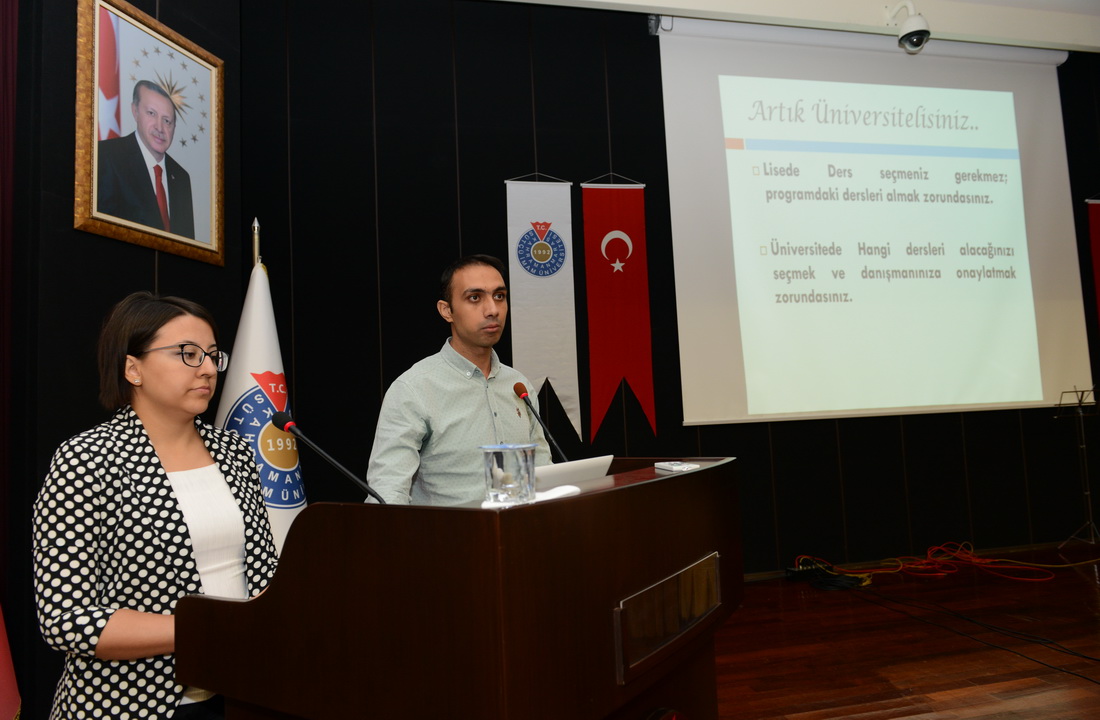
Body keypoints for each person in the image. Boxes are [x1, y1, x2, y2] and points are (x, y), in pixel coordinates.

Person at [33, 292, 278, 719]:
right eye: (188, 354)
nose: (207, 368)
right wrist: (210, 629)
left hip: (241, 693)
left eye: (212, 355)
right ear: (133, 369)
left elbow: (263, 572)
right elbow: (66, 619)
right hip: (131, 703)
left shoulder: (236, 452)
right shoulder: (87, 460)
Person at [367, 254, 552, 505]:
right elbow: (388, 491)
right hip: (449, 530)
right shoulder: (414, 389)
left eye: (499, 296)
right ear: (446, 311)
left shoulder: (518, 385)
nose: (493, 310)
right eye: (475, 298)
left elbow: (544, 472)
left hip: (520, 527)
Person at [97, 80, 196, 239]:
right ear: (135, 111)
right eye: (151, 113)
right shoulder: (106, 156)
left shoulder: (181, 177)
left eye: (167, 121)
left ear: (174, 127)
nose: (160, 128)